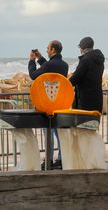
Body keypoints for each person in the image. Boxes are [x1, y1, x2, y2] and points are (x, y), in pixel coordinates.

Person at [28, 40, 68, 169]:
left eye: (48, 48)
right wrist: (40, 58)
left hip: (47, 103)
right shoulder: (64, 65)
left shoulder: (49, 65)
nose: (46, 50)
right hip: (60, 102)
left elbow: (34, 75)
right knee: (59, 132)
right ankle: (62, 159)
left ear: (53, 50)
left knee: (48, 132)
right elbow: (50, 66)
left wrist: (32, 61)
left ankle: (49, 160)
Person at [69, 37, 105, 113]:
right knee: (94, 123)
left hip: (85, 101)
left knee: (83, 124)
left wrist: (65, 83)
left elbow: (76, 78)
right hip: (97, 99)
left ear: (82, 47)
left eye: (80, 47)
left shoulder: (85, 60)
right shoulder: (99, 61)